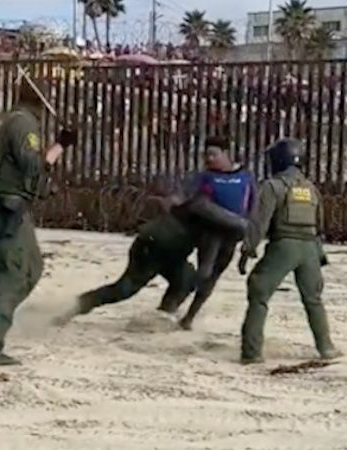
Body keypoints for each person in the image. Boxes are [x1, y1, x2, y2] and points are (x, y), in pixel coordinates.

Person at [54, 146, 250, 326]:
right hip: (157, 244)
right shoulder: (207, 211)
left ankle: (161, 318)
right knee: (125, 289)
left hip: (167, 248)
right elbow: (208, 269)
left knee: (184, 280)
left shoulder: (205, 203)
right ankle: (73, 307)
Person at [0, 75, 77, 366]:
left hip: (9, 205)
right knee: (11, 275)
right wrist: (59, 146)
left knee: (34, 268)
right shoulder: (24, 123)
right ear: (41, 102)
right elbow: (31, 164)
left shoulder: (8, 118)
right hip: (7, 207)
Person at [237, 138, 341, 364]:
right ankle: (326, 347)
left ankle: (251, 352)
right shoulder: (310, 188)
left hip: (284, 245)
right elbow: (319, 222)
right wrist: (318, 253)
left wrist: (248, 249)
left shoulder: (273, 186)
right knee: (313, 299)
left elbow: (259, 222)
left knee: (259, 292)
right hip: (310, 248)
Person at [173, 137, 256, 329]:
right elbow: (188, 198)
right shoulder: (205, 177)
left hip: (233, 234)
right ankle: (176, 301)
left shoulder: (245, 177)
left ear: (226, 154)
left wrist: (250, 236)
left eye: (214, 154)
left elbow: (253, 205)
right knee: (205, 271)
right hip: (210, 231)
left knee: (213, 276)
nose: (209, 159)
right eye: (206, 155)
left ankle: (189, 316)